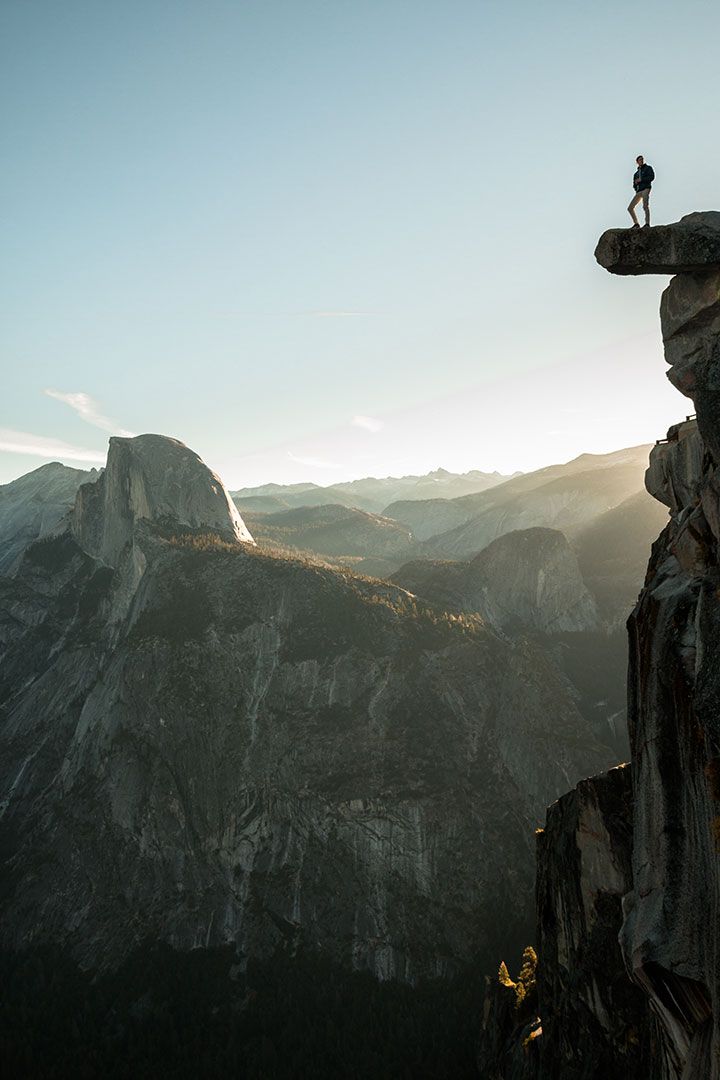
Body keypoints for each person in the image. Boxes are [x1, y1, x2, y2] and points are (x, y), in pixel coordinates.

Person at [628, 155, 655, 228]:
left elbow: (652, 177)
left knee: (645, 205)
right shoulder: (636, 174)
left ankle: (647, 223)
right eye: (640, 160)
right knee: (630, 208)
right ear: (637, 162)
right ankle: (636, 224)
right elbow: (634, 184)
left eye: (642, 159)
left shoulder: (648, 168)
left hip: (646, 188)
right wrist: (636, 186)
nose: (642, 161)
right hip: (639, 191)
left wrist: (641, 179)